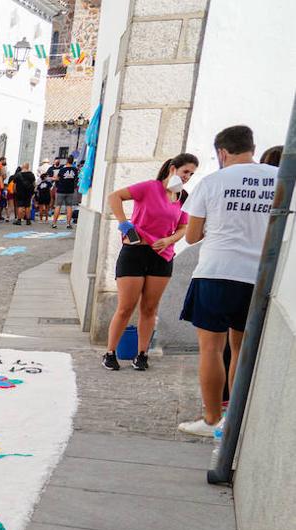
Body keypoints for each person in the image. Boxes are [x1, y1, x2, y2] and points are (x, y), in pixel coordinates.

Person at [177, 125, 279, 436]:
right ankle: (235, 420)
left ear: (222, 152)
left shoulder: (211, 182)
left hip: (216, 272)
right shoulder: (279, 179)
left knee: (210, 349)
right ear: (252, 146)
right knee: (239, 348)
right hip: (258, 276)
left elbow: (192, 236)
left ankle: (211, 420)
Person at [101, 152, 198, 372]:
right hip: (134, 253)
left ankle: (142, 354)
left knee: (150, 308)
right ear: (173, 168)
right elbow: (114, 197)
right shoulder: (149, 187)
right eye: (185, 172)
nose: (187, 177)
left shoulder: (183, 197)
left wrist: (169, 240)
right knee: (126, 307)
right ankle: (110, 352)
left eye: (191, 174)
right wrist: (125, 224)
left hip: (162, 257)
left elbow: (183, 227)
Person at [50, 157, 80, 228]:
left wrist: (54, 178)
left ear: (67, 161)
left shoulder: (62, 169)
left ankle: (54, 223)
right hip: (70, 190)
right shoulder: (75, 170)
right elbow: (76, 179)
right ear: (72, 162)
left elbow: (57, 178)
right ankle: (68, 224)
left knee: (58, 206)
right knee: (69, 207)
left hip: (61, 190)